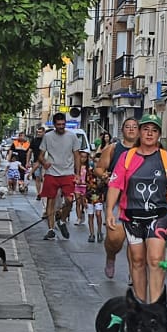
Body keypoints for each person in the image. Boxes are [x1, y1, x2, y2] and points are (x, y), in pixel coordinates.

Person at [105, 116, 167, 305]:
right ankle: (141, 305)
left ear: (158, 135)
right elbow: (115, 185)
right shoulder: (127, 157)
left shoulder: (165, 158)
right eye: (146, 129)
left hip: (158, 217)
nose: (149, 133)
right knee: (138, 261)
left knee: (156, 260)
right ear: (140, 132)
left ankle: (155, 308)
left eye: (154, 130)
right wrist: (109, 211)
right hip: (132, 217)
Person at [95, 118, 140, 279]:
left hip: (139, 201)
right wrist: (106, 176)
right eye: (128, 126)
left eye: (135, 127)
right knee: (115, 239)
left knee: (136, 242)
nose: (131, 129)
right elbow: (99, 168)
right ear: (122, 130)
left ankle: (133, 273)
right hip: (116, 199)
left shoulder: (147, 149)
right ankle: (111, 256)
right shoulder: (113, 148)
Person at [39, 111, 86, 240]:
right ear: (54, 124)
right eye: (58, 124)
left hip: (67, 173)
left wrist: (77, 174)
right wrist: (44, 162)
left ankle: (62, 220)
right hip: (52, 173)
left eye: (63, 124)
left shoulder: (72, 136)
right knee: (51, 201)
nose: (61, 126)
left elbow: (77, 155)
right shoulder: (48, 137)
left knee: (70, 201)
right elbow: (40, 155)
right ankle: (50, 229)